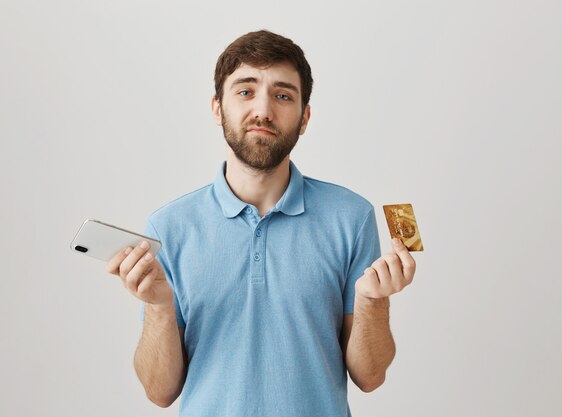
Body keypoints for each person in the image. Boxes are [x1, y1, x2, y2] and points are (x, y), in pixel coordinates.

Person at [106, 29, 416, 416]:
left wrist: (373, 300)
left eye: (283, 95)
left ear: (304, 117)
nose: (264, 110)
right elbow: (158, 392)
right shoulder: (169, 226)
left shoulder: (351, 217)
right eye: (245, 91)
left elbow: (370, 377)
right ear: (218, 107)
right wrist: (160, 307)